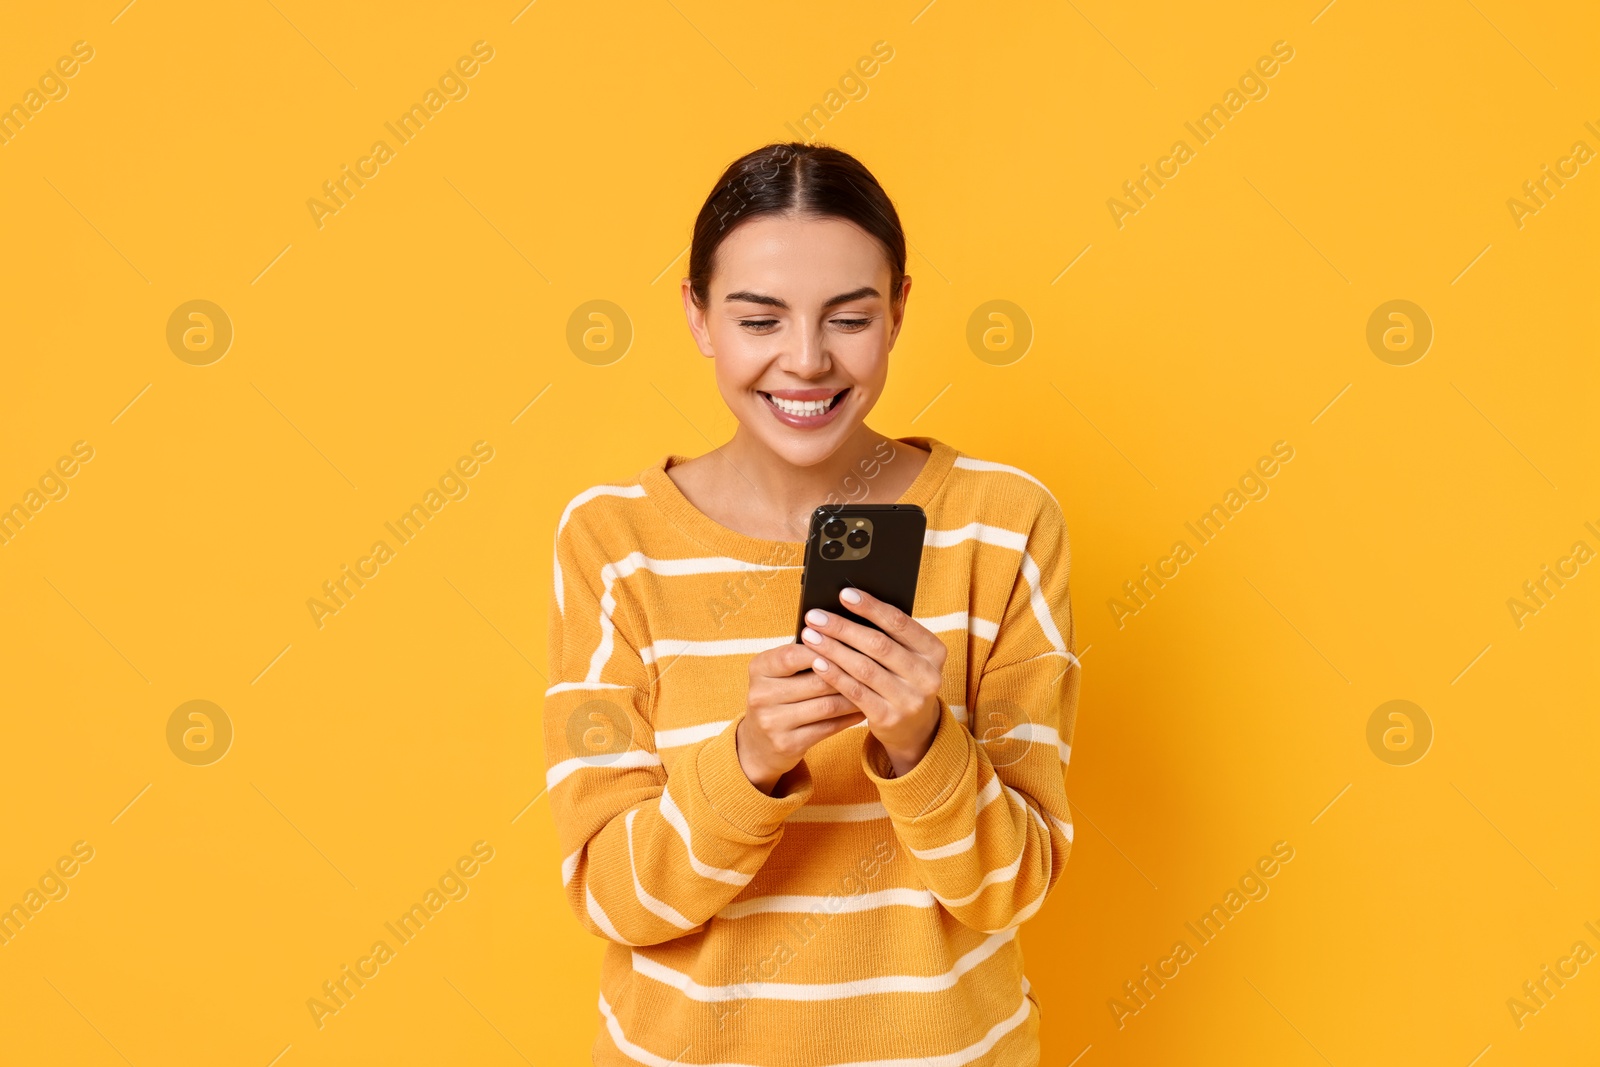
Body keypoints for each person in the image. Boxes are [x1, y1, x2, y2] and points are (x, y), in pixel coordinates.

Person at [543, 141, 1078, 1066]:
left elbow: (1012, 888)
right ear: (698, 316)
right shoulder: (612, 541)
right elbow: (612, 897)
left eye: (850, 318)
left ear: (900, 310)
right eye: (760, 319)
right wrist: (751, 760)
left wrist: (921, 744)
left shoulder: (1005, 524)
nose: (805, 361)